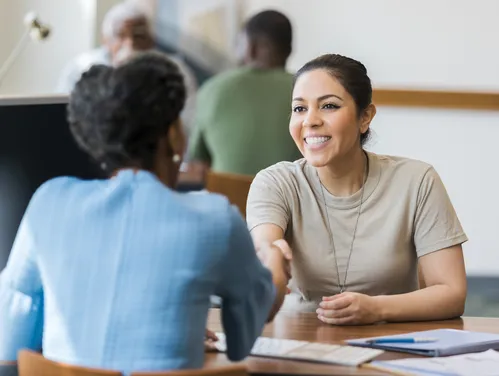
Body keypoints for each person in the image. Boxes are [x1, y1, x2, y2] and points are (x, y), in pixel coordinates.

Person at [0, 52, 291, 372]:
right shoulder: (214, 219)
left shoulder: (48, 201)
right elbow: (245, 332)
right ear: (173, 135)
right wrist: (275, 263)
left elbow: (11, 338)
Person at [247, 53, 468, 325]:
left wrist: (376, 309)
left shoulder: (418, 180)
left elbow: (452, 293)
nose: (310, 120)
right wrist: (271, 259)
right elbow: (266, 249)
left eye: (328, 106)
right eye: (299, 108)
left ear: (365, 117)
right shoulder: (275, 182)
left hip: (390, 345)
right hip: (299, 339)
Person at [184, 10, 301, 182]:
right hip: (288, 205)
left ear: (250, 47)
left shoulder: (212, 89)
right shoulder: (307, 90)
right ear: (289, 50)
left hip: (228, 203)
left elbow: (199, 164)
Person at [56, 2, 198, 138]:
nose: (130, 42)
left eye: (139, 35)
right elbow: (65, 117)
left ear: (151, 40)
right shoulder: (80, 68)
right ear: (105, 40)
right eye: (120, 35)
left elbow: (189, 122)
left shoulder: (175, 71)